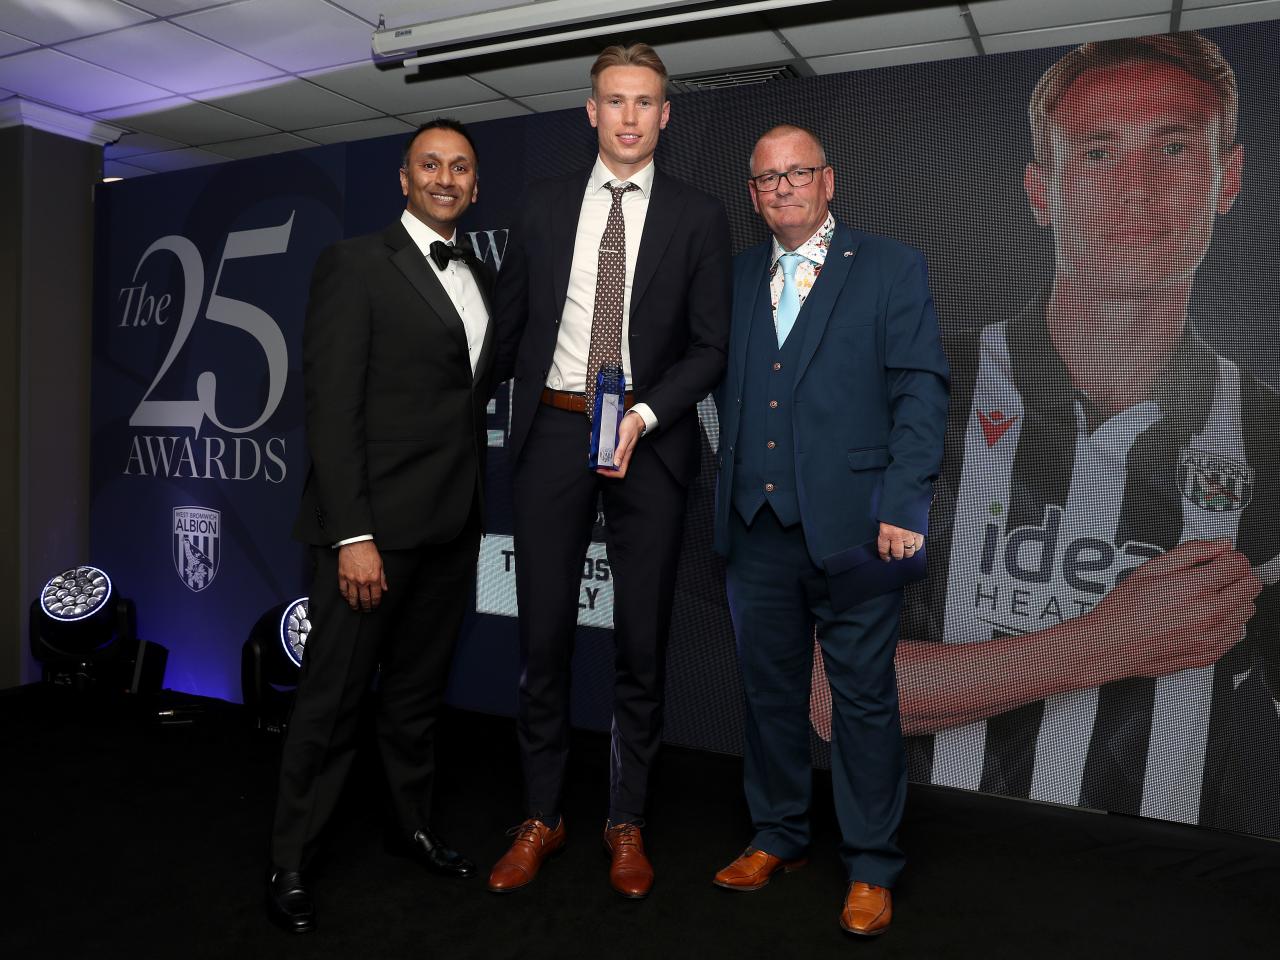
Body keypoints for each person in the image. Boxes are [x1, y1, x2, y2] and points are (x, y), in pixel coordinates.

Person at [891, 33, 1278, 834]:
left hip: (1163, 893)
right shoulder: (916, 389)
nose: (1137, 190)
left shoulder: (1268, 434)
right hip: (940, 855)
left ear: (1227, 179)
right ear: (1043, 191)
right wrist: (1116, 639)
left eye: (1173, 147)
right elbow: (837, 694)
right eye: (1098, 154)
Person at [487, 42, 731, 899]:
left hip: (650, 441)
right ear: (590, 112)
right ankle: (542, 815)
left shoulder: (700, 217)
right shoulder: (543, 206)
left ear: (666, 116)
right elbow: (508, 331)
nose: (629, 117)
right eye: (614, 101)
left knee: (640, 644)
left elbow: (710, 349)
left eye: (645, 103)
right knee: (542, 639)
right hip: (554, 434)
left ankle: (625, 820)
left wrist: (643, 413)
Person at [711, 123, 949, 937]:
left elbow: (921, 391)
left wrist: (904, 506)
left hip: (858, 530)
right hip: (756, 530)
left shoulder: (889, 266)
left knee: (863, 701)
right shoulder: (735, 276)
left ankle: (873, 864)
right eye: (767, 178)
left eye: (798, 173)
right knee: (770, 695)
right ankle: (779, 835)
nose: (783, 189)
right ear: (753, 193)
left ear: (829, 181)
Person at [266, 118, 496, 933]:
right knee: (329, 701)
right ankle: (291, 858)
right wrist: (350, 535)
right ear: (404, 178)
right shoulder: (354, 264)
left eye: (459, 167)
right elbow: (330, 413)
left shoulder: (482, 276)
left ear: (474, 184)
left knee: (414, 700)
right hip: (372, 535)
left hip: (449, 527)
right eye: (429, 164)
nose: (444, 177)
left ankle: (411, 828)